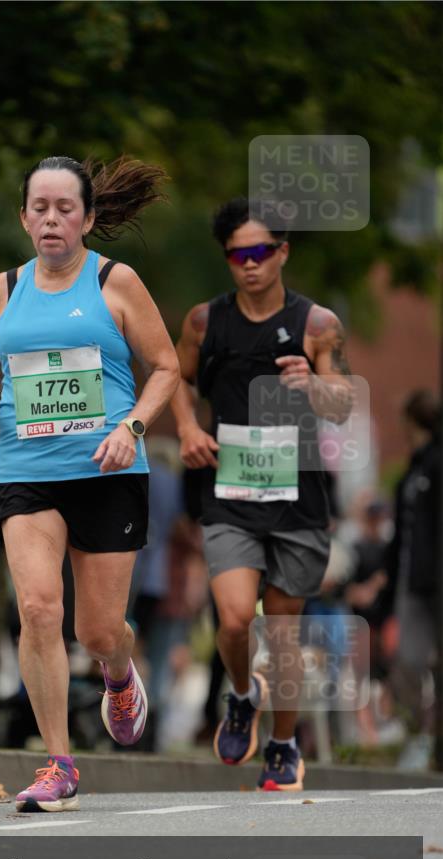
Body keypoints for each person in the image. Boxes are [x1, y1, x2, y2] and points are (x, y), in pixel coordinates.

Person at [0, 155, 179, 812]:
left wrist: (131, 429)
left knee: (97, 631)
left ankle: (117, 672)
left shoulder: (116, 282)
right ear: (23, 216)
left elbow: (164, 368)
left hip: (107, 471)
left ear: (86, 217)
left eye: (64, 208)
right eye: (39, 208)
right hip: (27, 472)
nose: (51, 219)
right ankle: (58, 762)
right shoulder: (3, 288)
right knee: (36, 609)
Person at [171, 197, 354, 791]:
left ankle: (283, 746)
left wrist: (313, 384)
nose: (248, 264)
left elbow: (344, 403)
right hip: (229, 495)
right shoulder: (204, 322)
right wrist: (190, 428)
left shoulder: (317, 324)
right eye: (236, 255)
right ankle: (242, 697)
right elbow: (173, 378)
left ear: (283, 252)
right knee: (231, 621)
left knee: (281, 635)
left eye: (260, 252)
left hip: (298, 500)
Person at [382, 389, 440, 769]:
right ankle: (421, 735)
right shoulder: (414, 469)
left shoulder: (435, 464)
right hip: (411, 582)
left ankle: (432, 742)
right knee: (407, 662)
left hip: (433, 581)